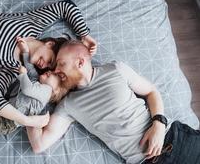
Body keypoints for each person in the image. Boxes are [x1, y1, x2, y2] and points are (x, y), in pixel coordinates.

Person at [26, 40, 200, 164]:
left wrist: (159, 124)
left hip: (176, 139)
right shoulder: (68, 105)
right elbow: (38, 144)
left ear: (80, 62)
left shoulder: (116, 69)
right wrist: (36, 97)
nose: (56, 70)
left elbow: (151, 91)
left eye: (61, 64)